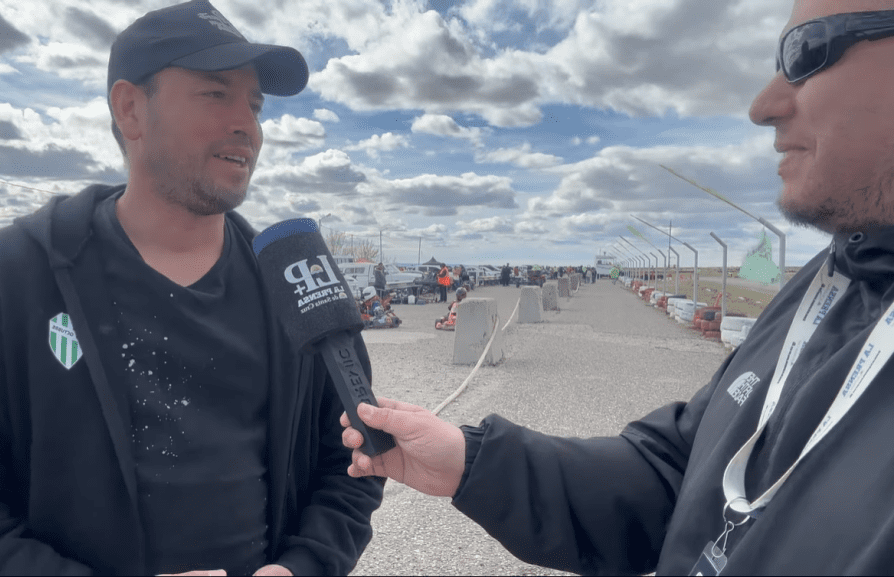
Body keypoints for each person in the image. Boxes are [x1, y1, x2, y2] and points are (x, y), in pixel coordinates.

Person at [342, 2, 894, 574]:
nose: (764, 106)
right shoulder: (835, 280)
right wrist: (470, 461)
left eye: (806, 53)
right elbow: (676, 476)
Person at [0, 2, 383, 576]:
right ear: (130, 108)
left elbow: (352, 462)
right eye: (216, 94)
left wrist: (302, 568)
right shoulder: (6, 276)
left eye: (255, 104)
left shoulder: (293, 283)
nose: (248, 124)